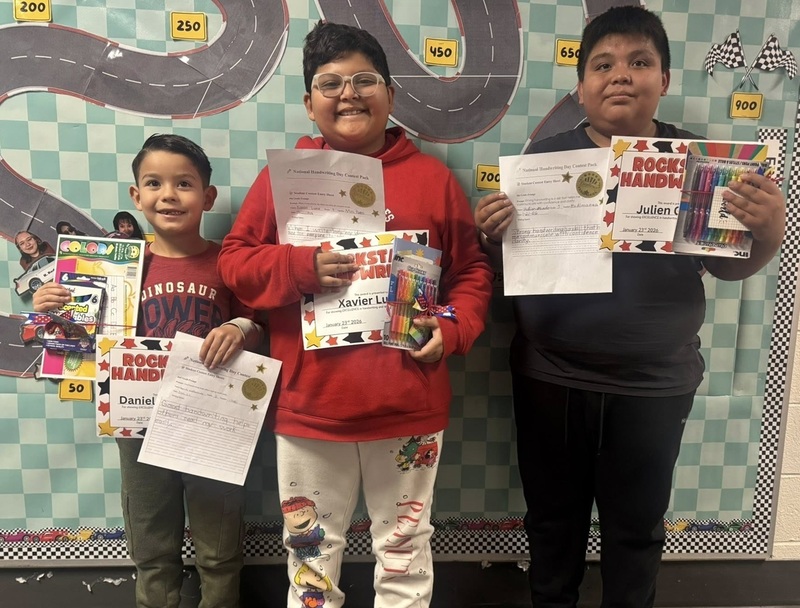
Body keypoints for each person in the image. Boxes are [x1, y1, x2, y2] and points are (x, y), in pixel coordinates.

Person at [475, 6, 785, 608]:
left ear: (663, 80)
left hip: (655, 383)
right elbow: (510, 272)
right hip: (551, 378)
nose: (620, 75)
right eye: (602, 65)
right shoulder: (542, 163)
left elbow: (729, 266)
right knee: (552, 524)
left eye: (639, 62)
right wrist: (492, 237)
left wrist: (768, 231)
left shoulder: (700, 162)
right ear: (580, 86)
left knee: (637, 530)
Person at [218, 21, 493, 608]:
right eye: (330, 83)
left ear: (390, 95)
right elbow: (236, 264)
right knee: (311, 558)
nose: (348, 94)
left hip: (409, 405)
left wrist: (449, 326)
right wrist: (300, 267)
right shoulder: (281, 180)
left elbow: (470, 275)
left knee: (404, 551)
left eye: (364, 80)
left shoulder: (433, 180)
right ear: (308, 103)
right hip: (311, 409)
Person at [33, 134, 263, 608]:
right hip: (137, 424)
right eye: (154, 183)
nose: (169, 195)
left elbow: (258, 324)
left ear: (208, 197)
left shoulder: (227, 261)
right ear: (136, 197)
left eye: (184, 184)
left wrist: (239, 328)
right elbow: (76, 340)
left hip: (212, 423)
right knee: (151, 546)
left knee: (220, 549)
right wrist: (52, 308)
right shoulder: (111, 267)